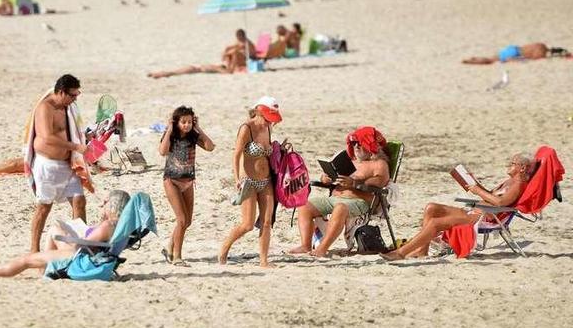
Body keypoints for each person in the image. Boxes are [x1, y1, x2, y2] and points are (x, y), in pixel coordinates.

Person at [382, 153, 536, 261]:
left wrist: (478, 190)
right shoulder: (509, 182)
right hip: (477, 211)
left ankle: (401, 253)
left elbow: (501, 203)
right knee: (432, 208)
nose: (509, 165)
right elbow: (492, 196)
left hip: (484, 217)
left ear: (522, 168)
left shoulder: (518, 185)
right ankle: (422, 251)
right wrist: (475, 184)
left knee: (436, 223)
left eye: (513, 163)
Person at [0, 190, 130, 278]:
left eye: (106, 202)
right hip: (89, 255)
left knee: (26, 260)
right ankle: (43, 269)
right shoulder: (121, 226)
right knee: (54, 230)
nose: (102, 204)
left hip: (79, 258)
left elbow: (82, 245)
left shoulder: (107, 225)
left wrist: (73, 235)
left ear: (114, 205)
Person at [291, 126, 390, 257]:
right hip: (334, 197)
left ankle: (322, 248)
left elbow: (380, 182)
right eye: (354, 143)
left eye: (360, 143)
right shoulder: (348, 160)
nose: (356, 146)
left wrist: (354, 183)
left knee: (340, 208)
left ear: (371, 146)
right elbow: (326, 176)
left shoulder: (378, 164)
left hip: (358, 201)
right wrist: (326, 178)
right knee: (305, 206)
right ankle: (305, 245)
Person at [218, 97, 283, 267]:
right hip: (248, 180)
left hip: (266, 180)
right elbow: (236, 154)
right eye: (269, 114)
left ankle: (263, 261)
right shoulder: (247, 128)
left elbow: (268, 153)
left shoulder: (268, 127)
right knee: (247, 224)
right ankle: (225, 247)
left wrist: (276, 151)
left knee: (267, 222)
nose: (271, 119)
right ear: (260, 110)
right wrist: (237, 178)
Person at [28, 74, 88, 253]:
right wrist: (75, 145)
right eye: (72, 95)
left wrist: (85, 138)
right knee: (44, 207)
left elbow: (72, 131)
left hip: (67, 164)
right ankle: (34, 250)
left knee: (79, 201)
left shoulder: (69, 108)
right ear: (61, 92)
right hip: (48, 165)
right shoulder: (45, 108)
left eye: (77, 95)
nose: (75, 99)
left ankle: (80, 246)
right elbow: (47, 137)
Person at [158, 106, 215, 265]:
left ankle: (170, 246)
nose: (187, 125)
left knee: (187, 222)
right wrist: (169, 129)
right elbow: (162, 151)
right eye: (183, 122)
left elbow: (210, 147)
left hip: (188, 182)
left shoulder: (193, 136)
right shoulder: (171, 135)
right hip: (172, 181)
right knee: (181, 220)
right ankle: (177, 256)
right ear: (177, 122)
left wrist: (198, 129)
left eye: (189, 122)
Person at [147, 29, 255, 79]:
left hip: (227, 69)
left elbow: (250, 54)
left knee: (197, 68)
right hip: (224, 67)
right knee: (196, 67)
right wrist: (227, 52)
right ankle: (165, 73)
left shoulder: (247, 45)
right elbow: (227, 51)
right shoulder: (239, 44)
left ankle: (167, 73)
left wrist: (230, 53)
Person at [462, 43, 570, 65]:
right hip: (515, 53)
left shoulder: (541, 45)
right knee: (491, 61)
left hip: (514, 48)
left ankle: (474, 59)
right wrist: (515, 61)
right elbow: (529, 58)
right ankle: (472, 61)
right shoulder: (541, 54)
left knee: (492, 58)